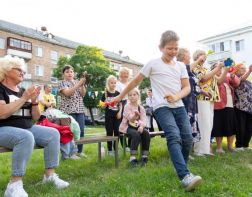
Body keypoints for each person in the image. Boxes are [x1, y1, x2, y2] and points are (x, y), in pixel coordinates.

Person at [113, 30, 202, 191]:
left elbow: (187, 87)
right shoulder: (153, 63)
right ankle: (185, 176)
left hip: (179, 105)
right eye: (170, 48)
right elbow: (135, 82)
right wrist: (120, 96)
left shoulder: (181, 66)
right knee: (174, 136)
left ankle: (182, 167)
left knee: (188, 138)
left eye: (176, 48)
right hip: (161, 107)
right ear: (161, 47)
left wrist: (176, 96)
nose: (173, 52)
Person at [0, 56, 69, 197]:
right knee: (25, 137)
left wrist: (34, 102)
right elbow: (2, 114)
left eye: (23, 71)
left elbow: (36, 117)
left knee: (53, 134)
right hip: (3, 128)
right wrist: (24, 98)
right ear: (6, 70)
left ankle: (49, 176)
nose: (22, 73)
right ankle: (14, 185)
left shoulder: (22, 90)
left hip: (26, 127)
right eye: (18, 69)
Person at [192, 50, 225, 156]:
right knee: (203, 123)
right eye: (202, 55)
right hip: (201, 98)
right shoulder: (196, 68)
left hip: (210, 99)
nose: (204, 57)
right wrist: (217, 68)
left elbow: (219, 80)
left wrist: (224, 69)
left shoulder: (206, 69)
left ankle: (205, 149)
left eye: (205, 55)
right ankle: (199, 150)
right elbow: (204, 78)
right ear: (197, 56)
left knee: (209, 124)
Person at [38, 83, 80, 160]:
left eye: (51, 87)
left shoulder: (52, 95)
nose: (50, 88)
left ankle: (72, 153)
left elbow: (53, 105)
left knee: (67, 126)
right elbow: (46, 104)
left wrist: (50, 104)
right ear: (45, 88)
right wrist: (50, 104)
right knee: (63, 130)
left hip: (53, 113)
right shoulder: (41, 94)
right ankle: (67, 155)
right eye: (49, 87)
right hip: (44, 116)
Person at [58, 65, 86, 157]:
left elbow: (83, 94)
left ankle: (79, 151)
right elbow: (68, 93)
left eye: (71, 71)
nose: (70, 73)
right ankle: (70, 153)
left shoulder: (77, 82)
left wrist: (82, 85)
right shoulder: (62, 83)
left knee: (81, 131)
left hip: (80, 110)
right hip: (68, 111)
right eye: (67, 72)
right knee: (70, 131)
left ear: (73, 73)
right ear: (63, 74)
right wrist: (78, 84)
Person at [211, 64, 240, 153]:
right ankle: (219, 148)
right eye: (218, 67)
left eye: (221, 68)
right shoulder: (212, 76)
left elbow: (236, 83)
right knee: (219, 126)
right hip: (218, 105)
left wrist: (233, 75)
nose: (220, 69)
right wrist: (225, 72)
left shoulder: (227, 76)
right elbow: (219, 83)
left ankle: (230, 146)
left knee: (231, 126)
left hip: (230, 105)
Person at [119, 89, 150, 166]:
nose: (132, 96)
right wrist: (135, 116)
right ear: (128, 97)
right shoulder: (127, 106)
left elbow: (144, 120)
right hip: (127, 127)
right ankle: (132, 157)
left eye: (134, 94)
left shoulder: (141, 108)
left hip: (138, 126)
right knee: (136, 134)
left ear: (138, 96)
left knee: (146, 133)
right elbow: (130, 119)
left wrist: (142, 126)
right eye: (130, 95)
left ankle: (144, 156)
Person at [177, 48, 201, 143]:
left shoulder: (192, 70)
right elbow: (186, 69)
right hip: (184, 100)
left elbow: (194, 84)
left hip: (192, 101)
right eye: (188, 54)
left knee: (192, 125)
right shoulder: (179, 66)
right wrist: (198, 60)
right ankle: (183, 149)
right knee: (184, 125)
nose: (190, 56)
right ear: (182, 55)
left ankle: (190, 149)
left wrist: (201, 91)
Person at [101, 75, 122, 155]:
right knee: (109, 132)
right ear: (108, 83)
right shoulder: (105, 94)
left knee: (117, 132)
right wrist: (105, 104)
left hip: (117, 116)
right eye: (111, 83)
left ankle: (115, 149)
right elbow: (102, 105)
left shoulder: (118, 93)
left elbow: (120, 105)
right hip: (108, 116)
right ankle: (110, 150)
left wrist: (120, 112)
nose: (113, 84)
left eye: (115, 83)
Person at [234, 64, 252, 150]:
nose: (244, 70)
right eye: (242, 68)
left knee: (249, 127)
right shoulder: (235, 79)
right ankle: (239, 145)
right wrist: (249, 70)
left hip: (249, 108)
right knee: (240, 127)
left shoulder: (248, 82)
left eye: (245, 69)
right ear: (236, 70)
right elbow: (241, 80)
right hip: (240, 107)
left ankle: (246, 144)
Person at [116, 67, 131, 150]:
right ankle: (124, 146)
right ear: (120, 76)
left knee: (132, 125)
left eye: (126, 76)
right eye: (123, 75)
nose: (125, 77)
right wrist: (119, 109)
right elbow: (117, 97)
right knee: (122, 125)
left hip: (131, 104)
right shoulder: (118, 84)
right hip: (122, 104)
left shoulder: (130, 84)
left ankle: (130, 144)